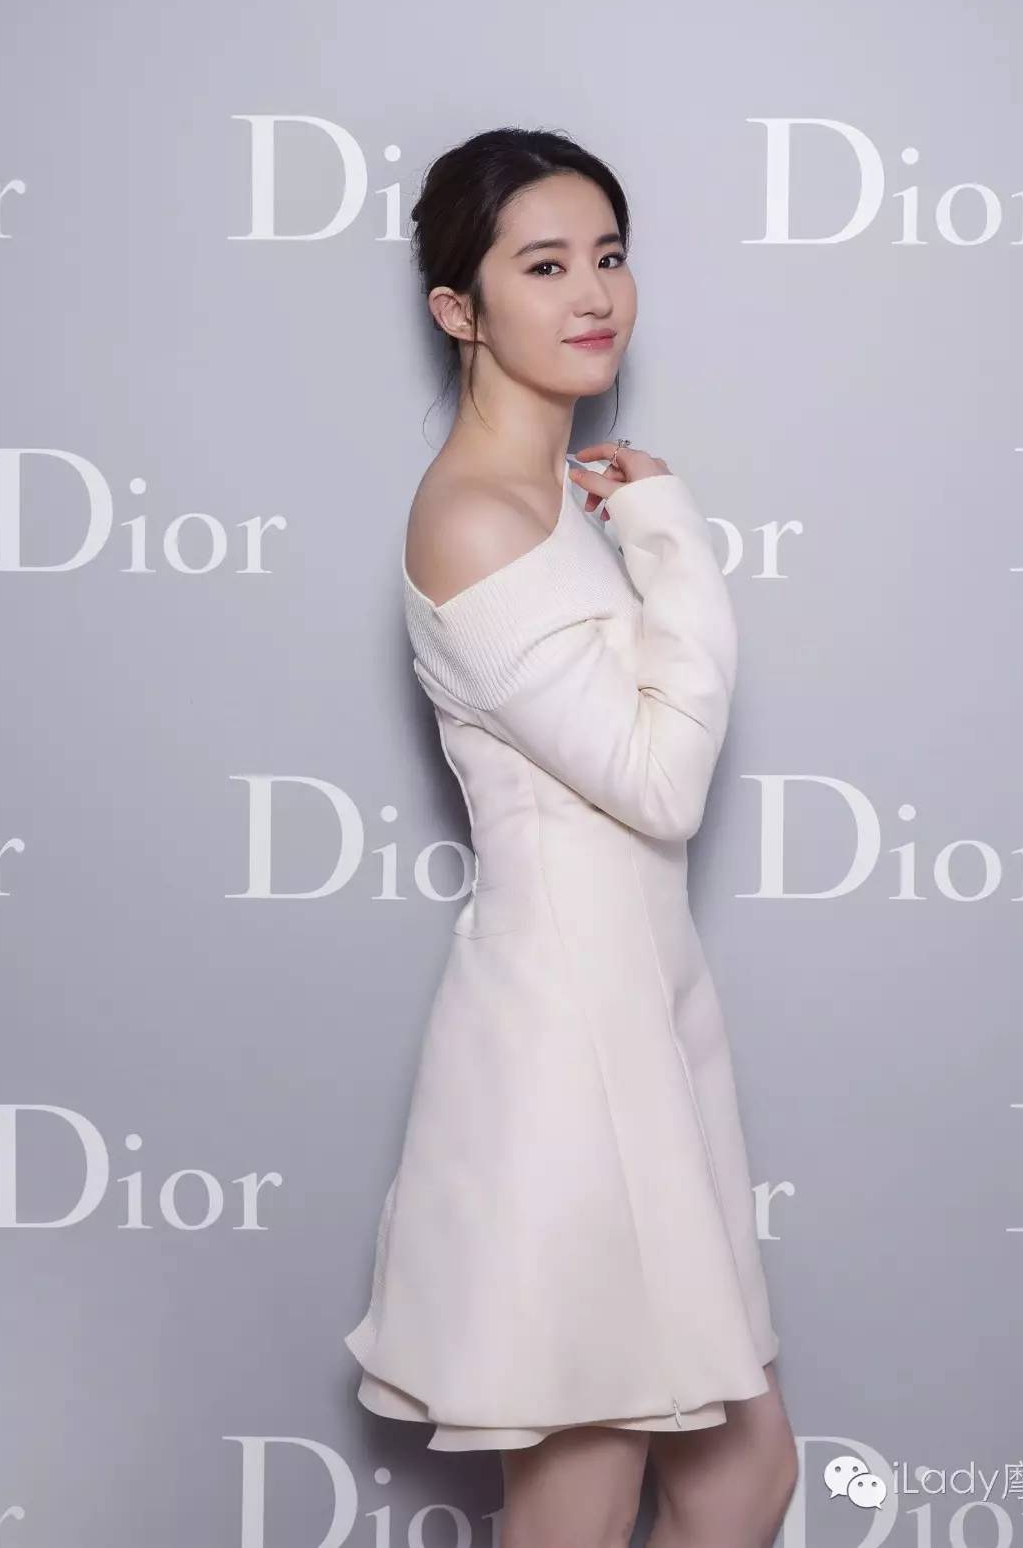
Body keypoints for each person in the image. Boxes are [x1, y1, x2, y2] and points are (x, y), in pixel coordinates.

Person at [344, 128, 798, 1548]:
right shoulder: (479, 522)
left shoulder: (555, 503)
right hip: (568, 1051)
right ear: (459, 309)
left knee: (740, 1478)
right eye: (543, 266)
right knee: (583, 1506)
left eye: (608, 255)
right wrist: (670, 532)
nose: (594, 293)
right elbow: (662, 782)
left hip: (642, 1018)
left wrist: (632, 525)